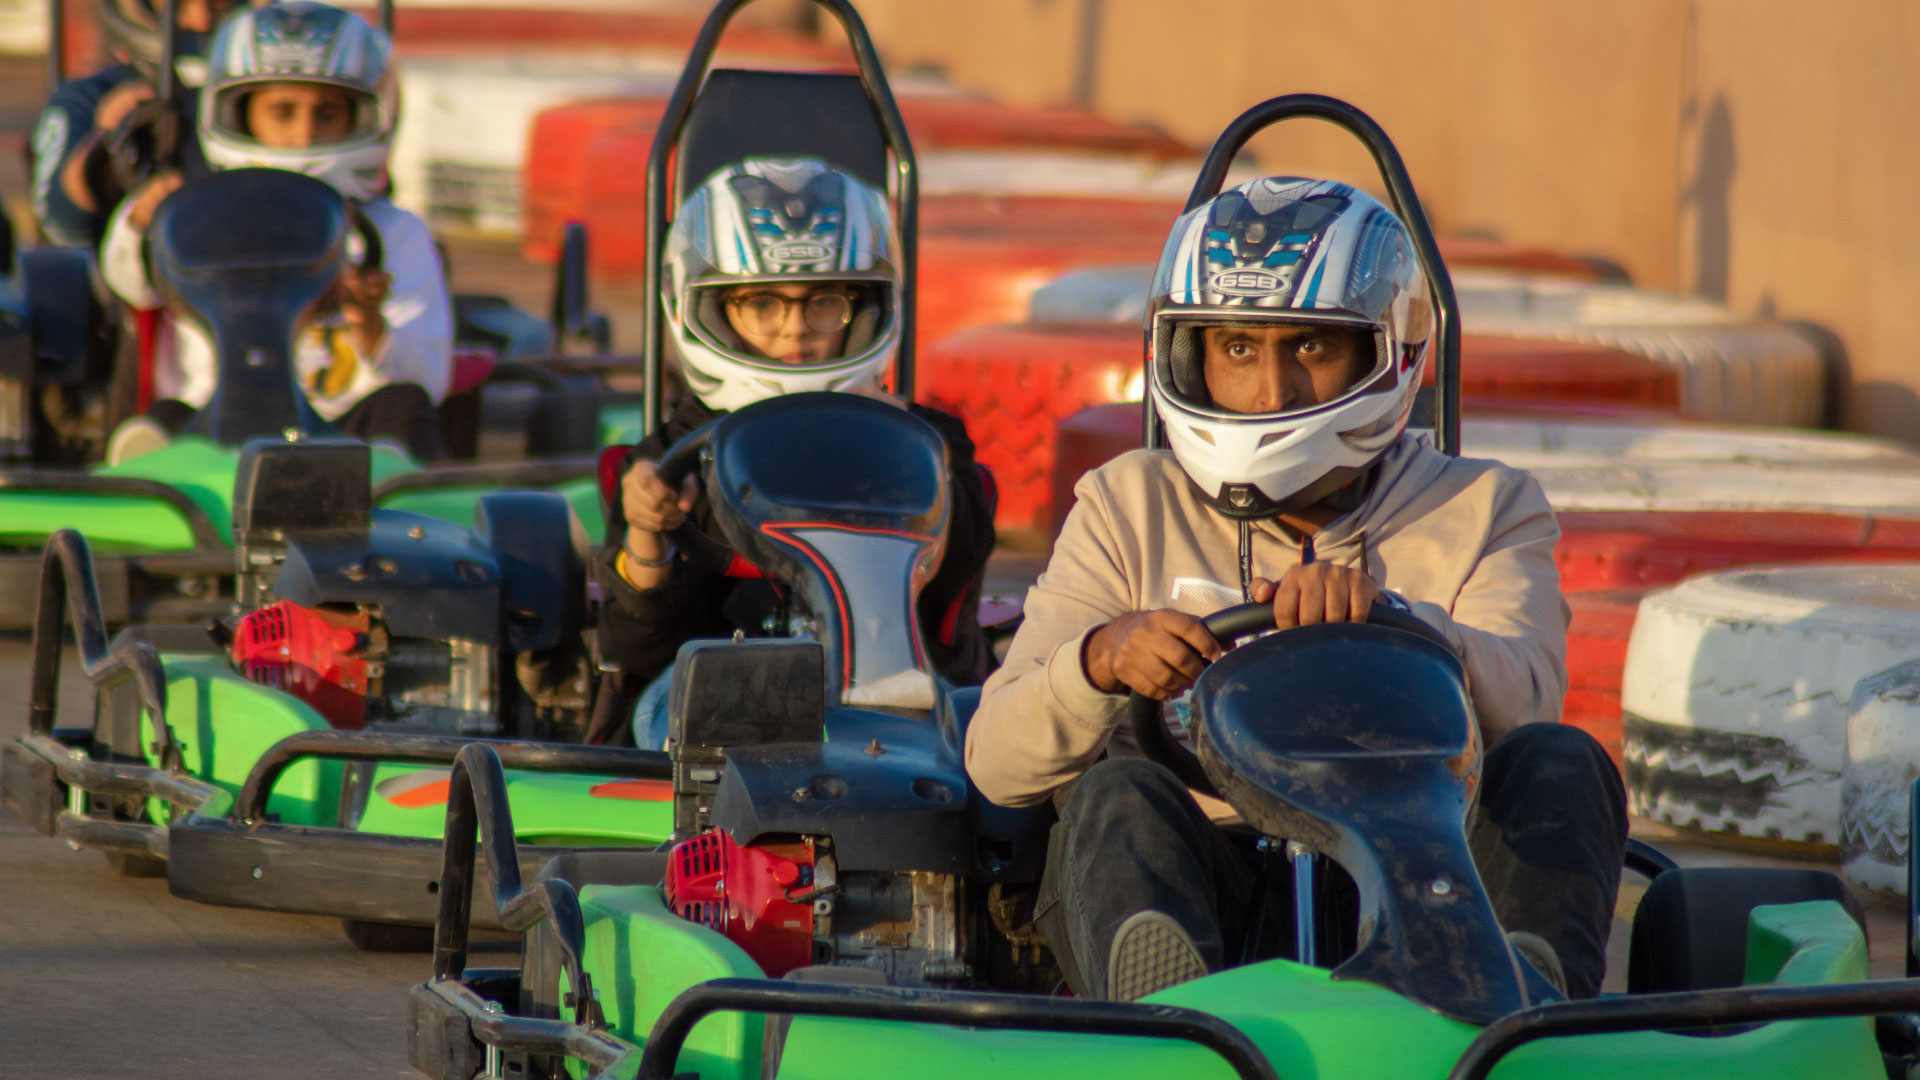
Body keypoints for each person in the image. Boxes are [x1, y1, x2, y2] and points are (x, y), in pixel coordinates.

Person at [964, 177, 1626, 1003]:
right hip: (1208, 884)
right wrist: (1098, 663)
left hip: (1426, 887)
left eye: (1310, 349)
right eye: (1239, 349)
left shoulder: (1487, 504)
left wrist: (1396, 625)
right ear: (1188, 353)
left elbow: (1529, 707)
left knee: (1564, 763)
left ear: (1384, 352)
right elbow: (994, 766)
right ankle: (1176, 1030)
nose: (1273, 395)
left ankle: (1517, 1010)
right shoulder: (1127, 502)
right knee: (1115, 792)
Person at [594, 157, 996, 748]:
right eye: (762, 304)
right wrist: (647, 534)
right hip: (713, 713)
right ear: (709, 309)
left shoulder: (927, 445)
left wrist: (905, 470)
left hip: (899, 700)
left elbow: (951, 612)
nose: (795, 330)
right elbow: (639, 653)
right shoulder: (663, 461)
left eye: (824, 302)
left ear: (864, 310)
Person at [97, 0, 450, 462]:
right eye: (283, 113)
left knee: (404, 408)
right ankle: (154, 482)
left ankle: (392, 487)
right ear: (239, 113)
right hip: (214, 431)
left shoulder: (395, 234)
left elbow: (430, 378)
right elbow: (134, 287)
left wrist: (373, 329)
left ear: (363, 117)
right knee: (165, 418)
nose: (303, 136)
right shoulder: (197, 216)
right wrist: (139, 223)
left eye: (325, 115)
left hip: (344, 440)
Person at [31, 0, 245, 249]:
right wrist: (111, 142)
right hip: (138, 270)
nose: (202, 23)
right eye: (180, 8)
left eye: (218, 5)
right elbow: (62, 221)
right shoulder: (92, 97)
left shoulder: (269, 92)